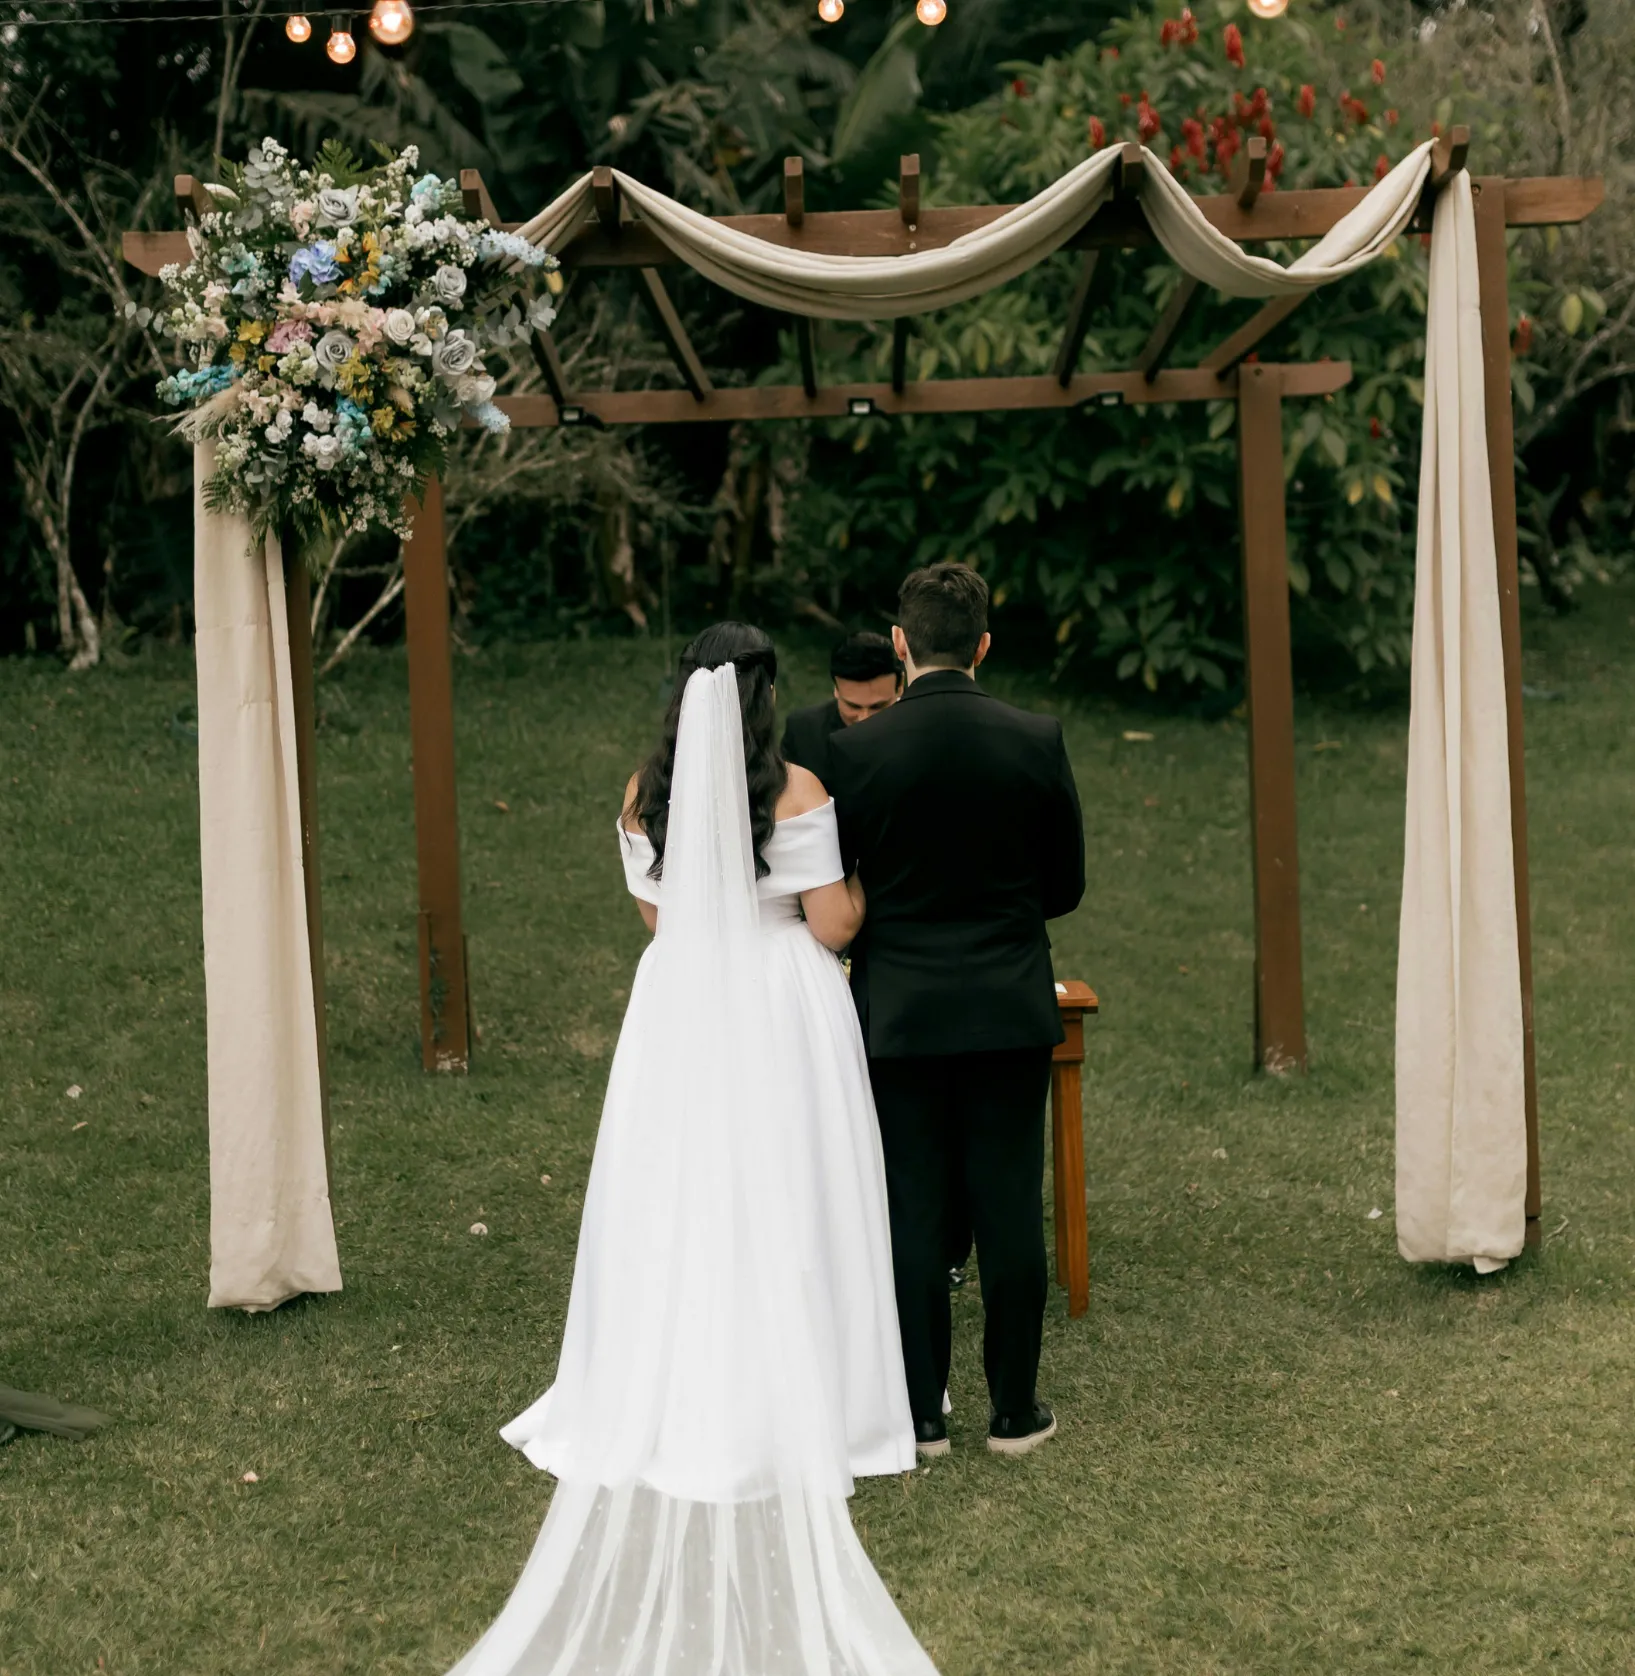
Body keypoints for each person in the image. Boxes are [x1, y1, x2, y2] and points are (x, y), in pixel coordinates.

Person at [445, 622, 938, 1676]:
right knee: (793, 1185)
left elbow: (659, 920)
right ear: (768, 699)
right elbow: (833, 925)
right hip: (781, 999)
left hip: (681, 1004)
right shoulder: (800, 792)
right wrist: (859, 880)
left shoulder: (640, 794)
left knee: (682, 1188)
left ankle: (675, 1358)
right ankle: (815, 1383)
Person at [829, 563, 1085, 1461]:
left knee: (911, 1210)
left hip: (896, 1011)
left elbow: (842, 886)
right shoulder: (1036, 737)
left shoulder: (852, 752)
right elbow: (1066, 887)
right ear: (982, 643)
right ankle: (1014, 1411)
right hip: (1009, 1006)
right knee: (1010, 1205)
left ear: (900, 645)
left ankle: (920, 1417)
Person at [780, 629, 904, 787]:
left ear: (900, 686)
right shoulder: (804, 733)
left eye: (877, 706)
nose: (864, 719)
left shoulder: (927, 732)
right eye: (853, 706)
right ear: (836, 689)